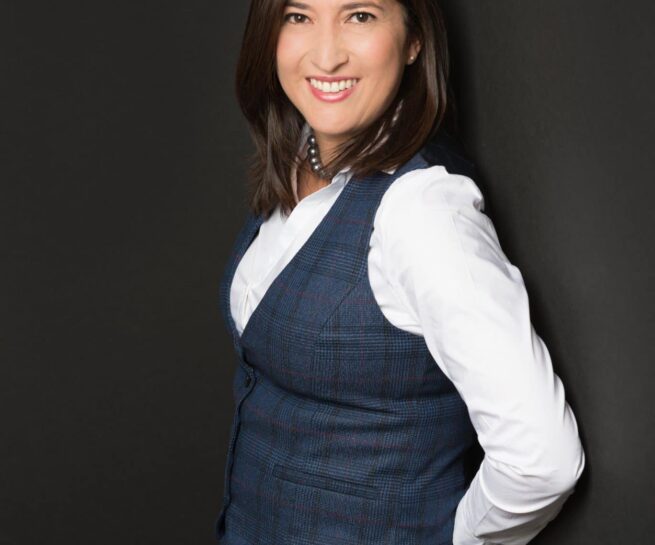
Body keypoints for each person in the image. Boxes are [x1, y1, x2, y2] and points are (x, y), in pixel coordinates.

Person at [214, 1, 585, 544]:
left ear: (414, 40)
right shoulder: (299, 156)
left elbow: (542, 460)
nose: (326, 53)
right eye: (298, 16)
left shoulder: (422, 210)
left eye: (359, 15)